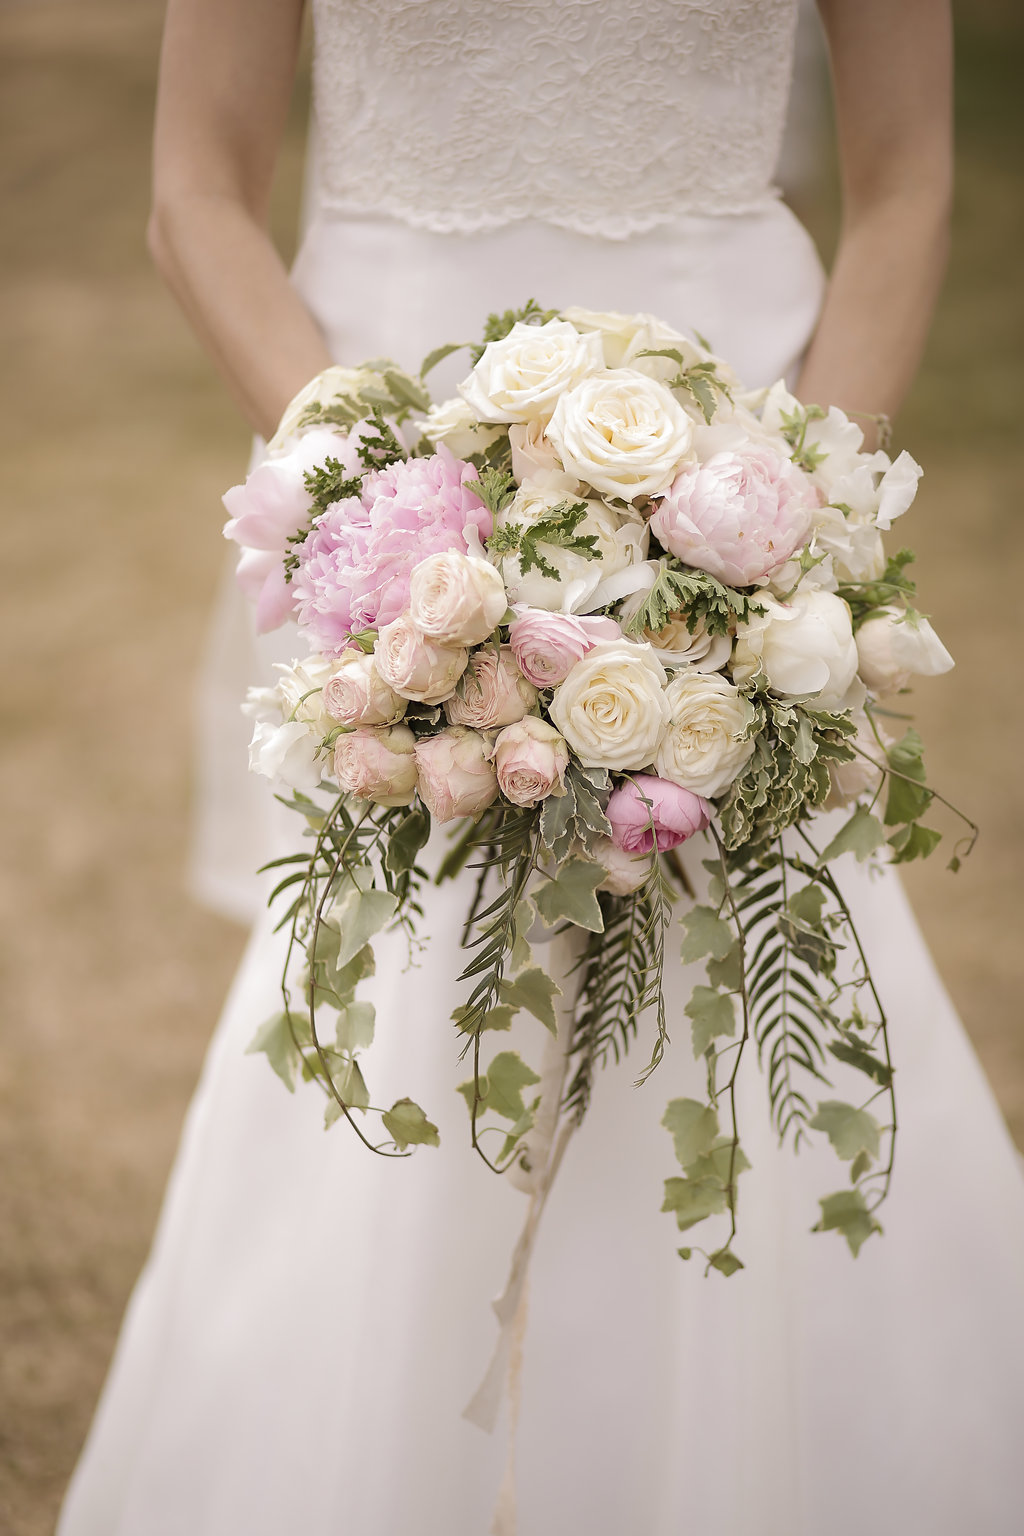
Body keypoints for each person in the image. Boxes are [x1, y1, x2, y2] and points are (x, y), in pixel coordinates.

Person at [59, 3, 1024, 1534]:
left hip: (739, 444)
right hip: (391, 433)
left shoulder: (762, 517)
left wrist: (788, 525)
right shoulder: (385, 503)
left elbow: (905, 180)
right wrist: (384, 512)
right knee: (399, 993)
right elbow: (197, 190)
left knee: (748, 983)